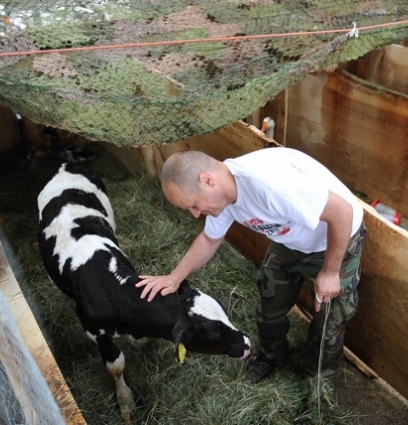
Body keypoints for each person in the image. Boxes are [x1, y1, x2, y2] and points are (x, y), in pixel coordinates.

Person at [136, 147, 366, 387]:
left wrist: (330, 272)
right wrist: (174, 278)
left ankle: (318, 381)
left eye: (193, 205)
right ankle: (272, 356)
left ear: (207, 180)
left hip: (333, 240)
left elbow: (341, 211)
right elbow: (210, 239)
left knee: (329, 320)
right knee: (269, 304)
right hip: (289, 239)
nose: (195, 214)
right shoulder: (223, 195)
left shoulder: (270, 185)